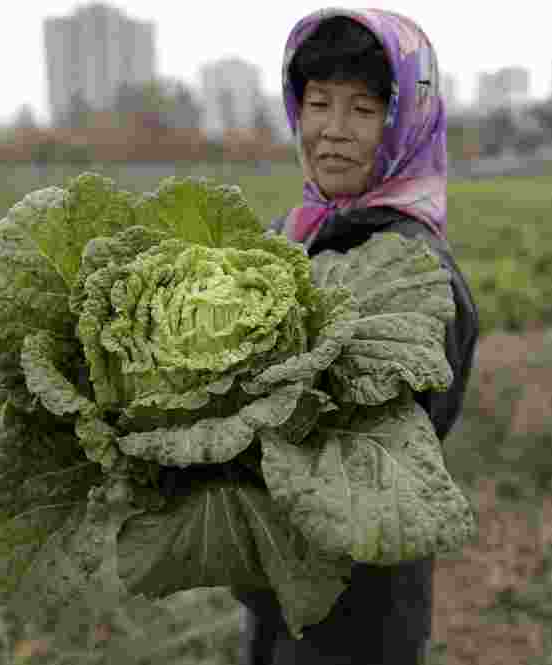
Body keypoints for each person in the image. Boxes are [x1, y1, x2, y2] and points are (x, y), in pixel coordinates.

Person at [232, 9, 479, 665]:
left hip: (357, 610)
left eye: (364, 110)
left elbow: (378, 453)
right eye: (318, 104)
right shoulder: (297, 230)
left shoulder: (417, 271)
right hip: (275, 581)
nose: (332, 132)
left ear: (405, 124)